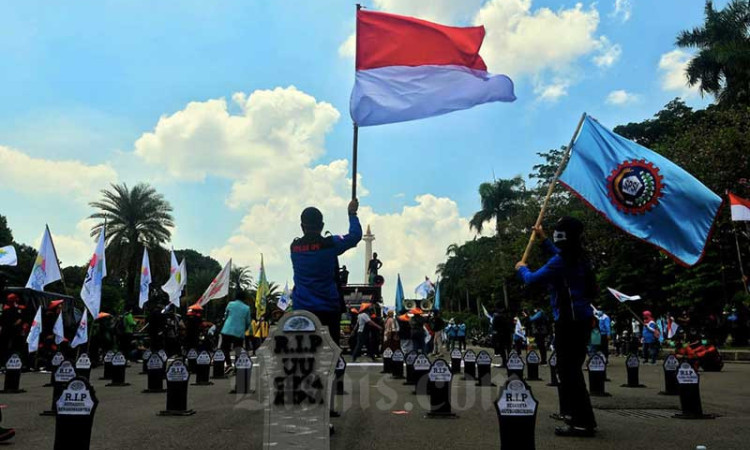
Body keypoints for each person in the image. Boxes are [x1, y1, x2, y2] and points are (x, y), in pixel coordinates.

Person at [516, 218, 597, 437]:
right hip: (581, 319)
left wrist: (522, 269)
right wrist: (543, 241)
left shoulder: (563, 261)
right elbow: (557, 255)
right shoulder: (579, 257)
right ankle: (577, 415)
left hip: (568, 322)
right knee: (571, 370)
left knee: (569, 371)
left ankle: (582, 422)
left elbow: (532, 279)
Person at [291, 199, 361, 342]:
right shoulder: (331, 244)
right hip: (328, 309)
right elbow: (355, 236)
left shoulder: (294, 247)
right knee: (330, 355)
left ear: (302, 226)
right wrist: (352, 213)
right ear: (322, 225)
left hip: (302, 309)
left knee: (302, 354)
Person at [220, 292, 252, 369]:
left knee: (224, 348)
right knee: (238, 349)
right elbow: (248, 322)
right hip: (239, 332)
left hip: (227, 330)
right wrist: (245, 329)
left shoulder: (230, 304)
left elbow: (226, 315)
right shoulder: (247, 308)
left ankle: (228, 364)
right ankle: (237, 366)